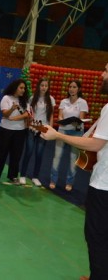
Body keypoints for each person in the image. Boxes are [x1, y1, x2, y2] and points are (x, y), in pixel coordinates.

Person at [41, 62, 108, 280]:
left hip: (104, 186)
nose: (101, 74)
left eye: (106, 70)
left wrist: (58, 136)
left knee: (96, 236)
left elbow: (96, 144)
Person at [0, 79, 29, 184]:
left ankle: (13, 176)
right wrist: (12, 108)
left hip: (20, 131)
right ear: (15, 87)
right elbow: (5, 114)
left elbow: (27, 114)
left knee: (16, 154)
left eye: (24, 88)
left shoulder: (25, 100)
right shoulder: (6, 98)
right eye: (21, 88)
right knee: (1, 152)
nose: (23, 90)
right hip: (5, 130)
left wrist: (15, 118)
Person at [49, 80, 88, 191]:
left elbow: (81, 117)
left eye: (74, 87)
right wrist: (63, 120)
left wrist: (76, 122)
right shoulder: (63, 101)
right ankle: (53, 180)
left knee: (72, 159)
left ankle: (69, 182)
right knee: (57, 157)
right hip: (62, 131)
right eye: (70, 86)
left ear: (79, 89)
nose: (71, 89)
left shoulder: (82, 102)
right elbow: (60, 116)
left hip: (76, 133)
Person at [19, 78, 56, 186]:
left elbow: (51, 115)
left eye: (46, 85)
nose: (44, 87)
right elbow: (29, 113)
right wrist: (30, 124)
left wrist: (51, 128)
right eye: (42, 85)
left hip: (44, 128)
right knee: (28, 152)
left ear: (48, 87)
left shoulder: (51, 99)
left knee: (39, 154)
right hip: (33, 127)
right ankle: (22, 175)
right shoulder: (32, 98)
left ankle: (35, 177)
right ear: (39, 86)